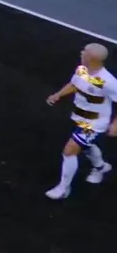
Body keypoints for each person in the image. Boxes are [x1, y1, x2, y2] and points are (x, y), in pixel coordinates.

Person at [45, 43, 117, 200]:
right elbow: (74, 84)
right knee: (86, 147)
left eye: (85, 52)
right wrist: (58, 94)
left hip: (94, 124)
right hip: (80, 118)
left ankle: (63, 188)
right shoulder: (82, 70)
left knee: (70, 150)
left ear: (92, 58)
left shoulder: (108, 81)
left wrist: (115, 124)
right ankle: (101, 167)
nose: (81, 52)